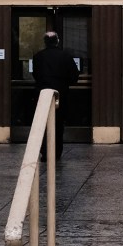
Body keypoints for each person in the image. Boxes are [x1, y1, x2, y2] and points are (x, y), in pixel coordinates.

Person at [32, 31, 79, 160]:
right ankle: (56, 152)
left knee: (42, 123)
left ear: (45, 42)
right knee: (58, 124)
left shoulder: (37, 57)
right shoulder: (66, 56)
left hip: (42, 95)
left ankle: (44, 151)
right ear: (57, 41)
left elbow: (35, 75)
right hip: (61, 95)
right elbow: (74, 77)